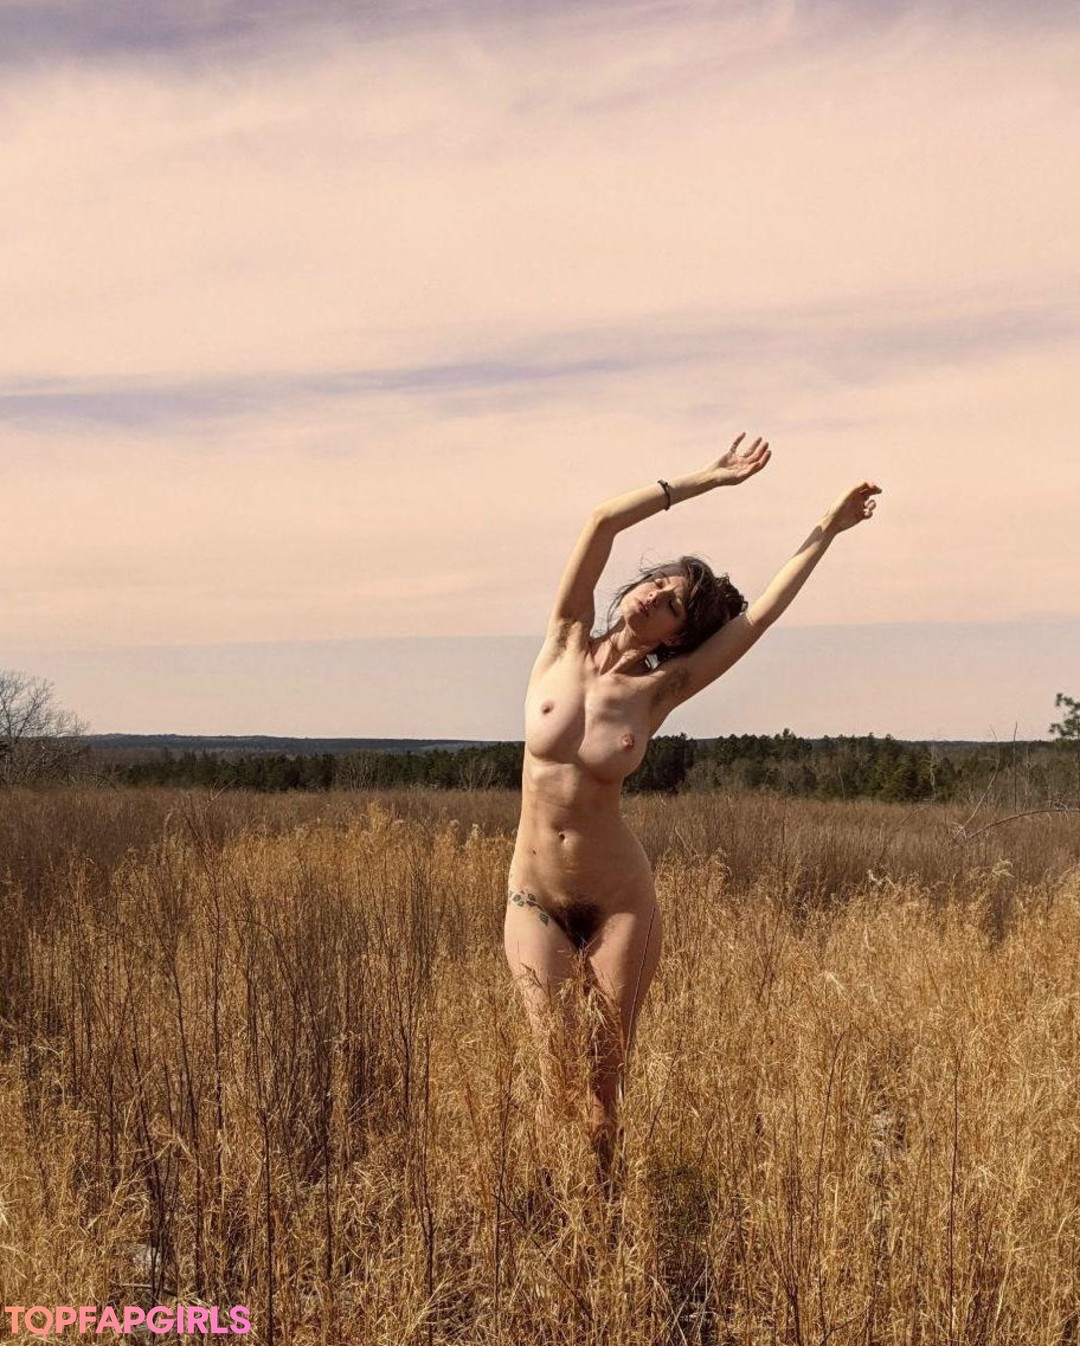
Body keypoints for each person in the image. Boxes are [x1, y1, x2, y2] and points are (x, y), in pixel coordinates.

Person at [503, 432, 880, 1183]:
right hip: (532, 895)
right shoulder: (563, 641)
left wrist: (827, 530)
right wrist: (708, 478)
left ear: (680, 634)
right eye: (656, 583)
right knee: (555, 1076)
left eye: (672, 602)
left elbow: (759, 617)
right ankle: (552, 1220)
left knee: (603, 1090)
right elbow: (601, 522)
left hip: (619, 901)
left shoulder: (661, 690)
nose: (652, 596)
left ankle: (609, 1219)